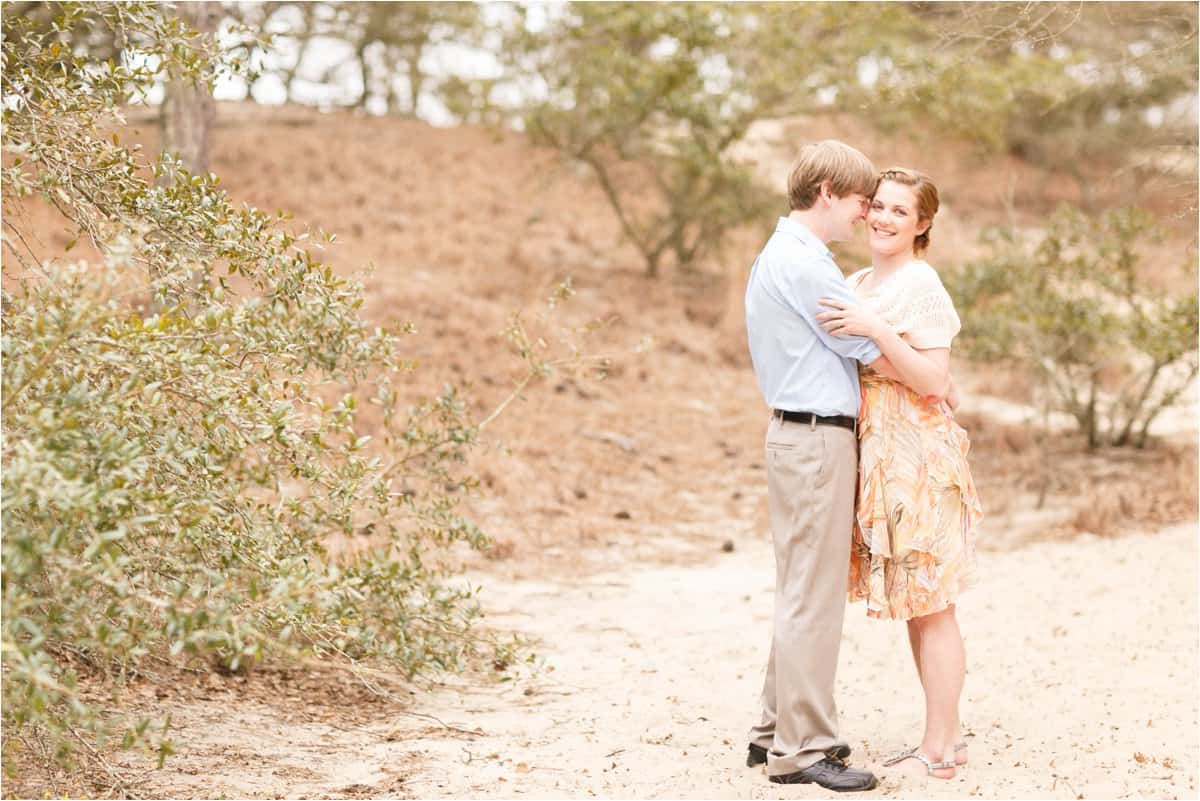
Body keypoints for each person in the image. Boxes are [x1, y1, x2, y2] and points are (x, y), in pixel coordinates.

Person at [743, 142, 946, 792]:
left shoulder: (781, 252)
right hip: (816, 440)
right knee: (814, 595)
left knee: (797, 586)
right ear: (829, 191)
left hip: (794, 435)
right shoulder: (809, 266)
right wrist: (929, 372)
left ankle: (775, 728)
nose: (866, 216)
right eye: (864, 201)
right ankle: (804, 747)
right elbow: (864, 349)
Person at [816, 166, 983, 780]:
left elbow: (937, 381)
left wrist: (877, 331)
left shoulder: (921, 284)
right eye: (878, 207)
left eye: (898, 211)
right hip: (881, 455)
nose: (883, 219)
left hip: (919, 457)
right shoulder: (860, 279)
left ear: (923, 224)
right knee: (918, 601)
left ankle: (937, 749)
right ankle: (950, 736)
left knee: (934, 604)